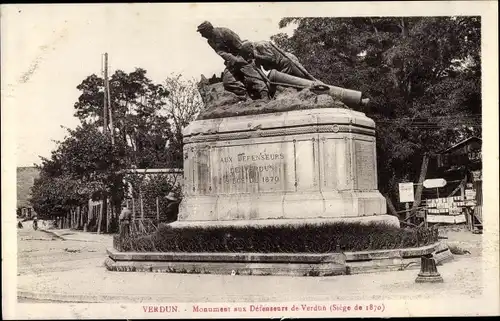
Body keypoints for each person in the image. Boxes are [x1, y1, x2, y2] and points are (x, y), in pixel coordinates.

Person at [197, 21, 269, 100]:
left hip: (242, 56)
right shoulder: (210, 41)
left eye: (202, 32)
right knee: (228, 81)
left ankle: (265, 96)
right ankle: (247, 98)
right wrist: (233, 60)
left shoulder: (224, 32)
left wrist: (244, 59)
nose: (202, 35)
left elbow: (239, 45)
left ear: (208, 29)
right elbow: (221, 52)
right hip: (232, 61)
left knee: (252, 75)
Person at [240, 40, 316, 80]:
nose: (249, 55)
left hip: (288, 62)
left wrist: (257, 56)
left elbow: (272, 58)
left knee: (305, 78)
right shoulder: (255, 54)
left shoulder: (260, 45)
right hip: (281, 67)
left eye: (248, 53)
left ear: (250, 48)